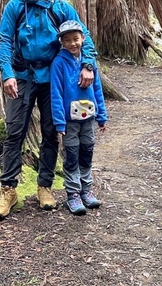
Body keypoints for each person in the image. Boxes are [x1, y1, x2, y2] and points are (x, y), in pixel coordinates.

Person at [0, 0, 96, 220]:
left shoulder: (61, 8)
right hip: (22, 76)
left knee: (51, 133)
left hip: (53, 79)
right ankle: (8, 190)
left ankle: (45, 187)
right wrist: (7, 74)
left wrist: (88, 65)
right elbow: (5, 41)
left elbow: (83, 37)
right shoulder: (15, 7)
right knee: (15, 132)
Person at [50, 19, 108, 215]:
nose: (73, 43)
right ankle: (73, 193)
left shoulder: (89, 63)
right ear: (62, 42)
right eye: (68, 40)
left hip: (89, 118)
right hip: (69, 121)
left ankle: (86, 189)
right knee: (72, 154)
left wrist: (102, 115)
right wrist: (59, 122)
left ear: (83, 39)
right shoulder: (59, 63)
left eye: (76, 39)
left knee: (87, 151)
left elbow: (97, 89)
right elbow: (56, 94)